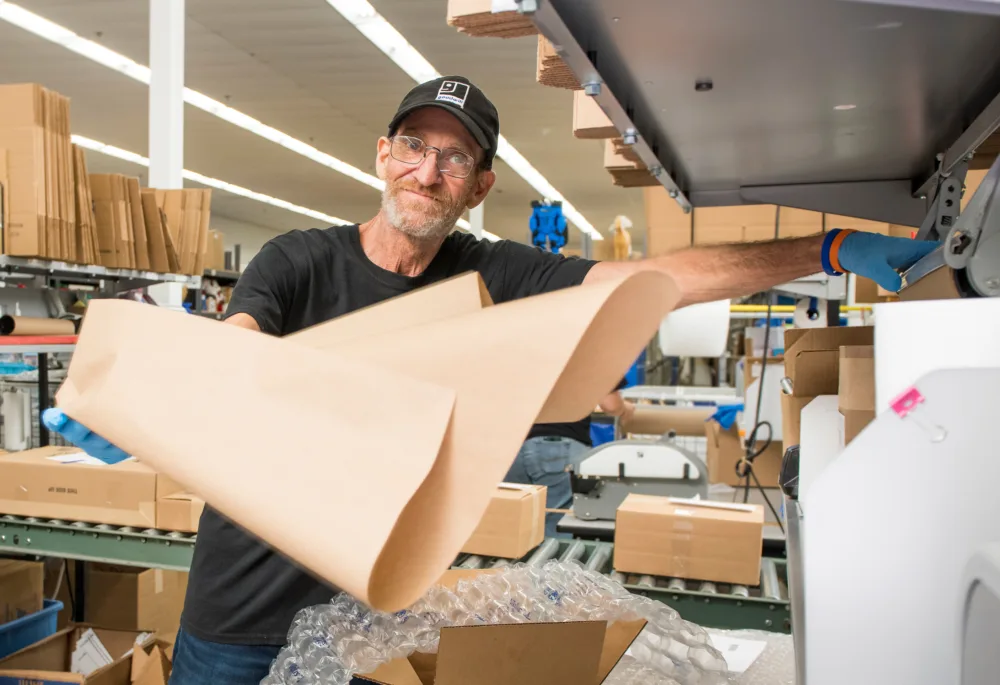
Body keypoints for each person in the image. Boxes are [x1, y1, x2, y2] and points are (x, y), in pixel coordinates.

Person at [44, 75, 936, 684]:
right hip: (236, 614)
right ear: (382, 154)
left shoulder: (492, 273)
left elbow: (651, 281)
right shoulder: (295, 262)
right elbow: (233, 359)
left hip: (361, 618)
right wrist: (165, 396)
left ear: (478, 185)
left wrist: (819, 251)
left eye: (453, 159)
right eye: (413, 147)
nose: (427, 171)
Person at [506, 386, 635, 538]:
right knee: (556, 526)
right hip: (557, 446)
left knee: (512, 527)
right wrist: (626, 409)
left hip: (511, 445)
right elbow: (611, 404)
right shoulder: (591, 361)